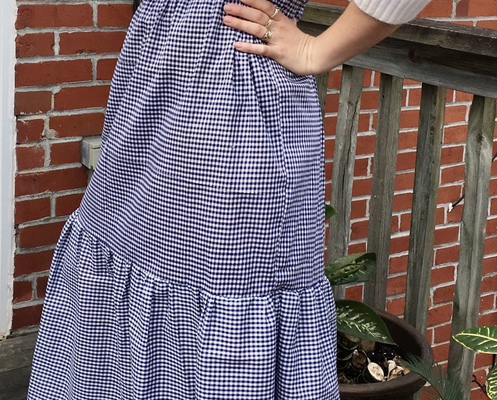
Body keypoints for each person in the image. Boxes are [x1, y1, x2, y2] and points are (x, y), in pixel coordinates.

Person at [28, 0, 431, 398]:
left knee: (224, 296)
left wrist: (316, 50)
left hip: (233, 112)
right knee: (124, 256)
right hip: (148, 95)